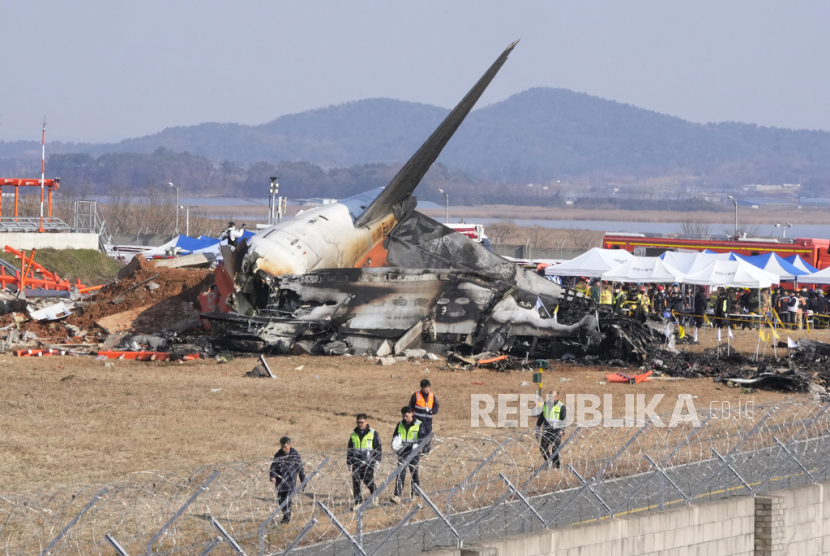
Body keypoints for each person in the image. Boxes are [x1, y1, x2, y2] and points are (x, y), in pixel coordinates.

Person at [390, 406, 428, 504]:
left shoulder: (419, 424)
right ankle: (397, 496)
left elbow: (423, 438)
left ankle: (415, 494)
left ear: (412, 414)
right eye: (403, 416)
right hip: (402, 451)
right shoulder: (400, 424)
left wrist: (420, 447)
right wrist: (394, 445)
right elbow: (395, 436)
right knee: (400, 473)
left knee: (414, 473)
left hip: (414, 452)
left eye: (406, 416)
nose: (405, 418)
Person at [269, 436, 306, 524]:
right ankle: (286, 514)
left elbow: (300, 468)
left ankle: (286, 518)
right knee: (281, 500)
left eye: (285, 447)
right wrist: (272, 476)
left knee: (287, 500)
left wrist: (303, 480)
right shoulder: (278, 455)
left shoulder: (294, 455)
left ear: (290, 445)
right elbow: (273, 467)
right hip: (280, 482)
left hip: (290, 482)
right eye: (282, 447)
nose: (283, 449)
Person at [347, 413, 382, 508]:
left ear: (366, 421)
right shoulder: (354, 435)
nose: (359, 424)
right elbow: (350, 449)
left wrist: (378, 460)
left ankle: (375, 496)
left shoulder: (373, 433)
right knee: (356, 482)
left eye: (361, 422)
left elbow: (377, 448)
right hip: (356, 462)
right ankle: (358, 502)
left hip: (368, 462)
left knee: (368, 481)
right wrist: (349, 462)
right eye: (358, 422)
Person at [535, 390, 566, 468]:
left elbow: (564, 420)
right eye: (549, 396)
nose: (550, 398)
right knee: (543, 448)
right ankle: (549, 462)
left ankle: (557, 466)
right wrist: (537, 428)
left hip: (556, 431)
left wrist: (562, 430)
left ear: (556, 397)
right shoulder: (545, 405)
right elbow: (541, 418)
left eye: (552, 396)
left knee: (555, 449)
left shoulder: (561, 406)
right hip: (547, 430)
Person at [409, 379, 438, 453]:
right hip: (418, 420)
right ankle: (417, 449)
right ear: (421, 387)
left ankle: (426, 450)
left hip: (428, 420)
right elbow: (410, 406)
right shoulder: (416, 395)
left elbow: (436, 405)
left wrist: (433, 411)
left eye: (428, 387)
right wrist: (410, 415)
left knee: (428, 435)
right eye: (425, 387)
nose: (427, 389)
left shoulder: (432, 395)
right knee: (419, 435)